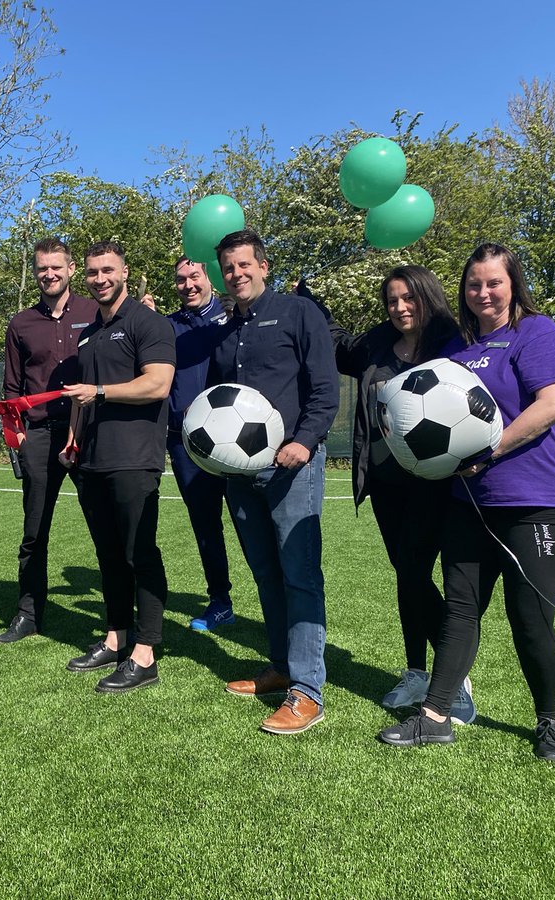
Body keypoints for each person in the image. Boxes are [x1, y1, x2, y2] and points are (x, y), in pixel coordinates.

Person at [378, 243, 555, 763]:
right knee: (460, 611)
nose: (483, 293)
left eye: (493, 282)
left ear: (513, 283)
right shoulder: (459, 349)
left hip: (536, 501)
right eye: (474, 285)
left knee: (529, 617)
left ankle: (549, 721)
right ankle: (436, 715)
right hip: (469, 500)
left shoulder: (536, 332)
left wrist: (494, 448)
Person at [320, 266, 474, 723]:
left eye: (409, 298)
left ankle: (454, 678)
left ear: (428, 296)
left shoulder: (455, 341)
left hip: (439, 482)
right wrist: (311, 304)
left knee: (417, 573)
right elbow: (340, 345)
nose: (401, 307)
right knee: (408, 577)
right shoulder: (377, 343)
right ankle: (414, 673)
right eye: (392, 300)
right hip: (387, 483)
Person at [209, 229, 338, 734]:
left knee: (300, 575)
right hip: (240, 473)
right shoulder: (224, 332)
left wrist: (304, 441)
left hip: (293, 466)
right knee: (264, 572)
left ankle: (307, 692)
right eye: (229, 267)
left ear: (263, 266)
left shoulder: (300, 313)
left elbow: (325, 390)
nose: (236, 274)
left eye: (244, 265)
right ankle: (281, 666)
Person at [60, 241, 175, 693]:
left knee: (138, 554)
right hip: (91, 459)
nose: (100, 278)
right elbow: (79, 393)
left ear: (125, 272)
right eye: (92, 272)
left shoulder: (149, 322)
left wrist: (102, 392)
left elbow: (158, 384)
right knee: (108, 555)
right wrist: (72, 436)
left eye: (108, 270)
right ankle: (115, 637)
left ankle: (145, 654)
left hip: (134, 458)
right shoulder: (88, 332)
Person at [0, 237, 98, 644]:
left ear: (71, 269)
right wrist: (16, 436)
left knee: (103, 525)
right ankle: (28, 614)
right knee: (34, 531)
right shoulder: (21, 323)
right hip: (38, 435)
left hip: (88, 432)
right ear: (36, 272)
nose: (49, 274)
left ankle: (115, 619)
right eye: (42, 268)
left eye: (57, 267)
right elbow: (12, 388)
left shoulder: (95, 313)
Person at [166, 257, 234, 632]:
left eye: (195, 276)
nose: (188, 284)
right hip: (186, 446)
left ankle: (276, 603)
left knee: (248, 523)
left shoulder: (232, 320)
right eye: (180, 279)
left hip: (240, 441)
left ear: (210, 278)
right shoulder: (168, 327)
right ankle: (220, 601)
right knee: (206, 525)